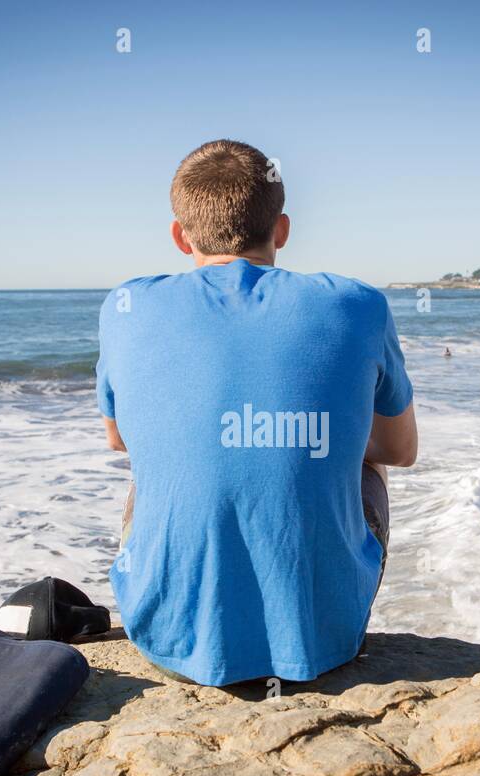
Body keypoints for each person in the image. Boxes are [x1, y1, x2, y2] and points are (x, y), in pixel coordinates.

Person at [96, 139, 417, 686]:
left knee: (156, 467)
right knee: (367, 464)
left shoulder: (125, 306)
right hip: (327, 641)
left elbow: (120, 439)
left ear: (180, 235)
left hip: (162, 636)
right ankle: (309, 605)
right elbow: (400, 451)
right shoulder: (358, 303)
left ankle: (183, 598)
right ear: (283, 229)